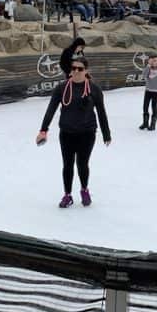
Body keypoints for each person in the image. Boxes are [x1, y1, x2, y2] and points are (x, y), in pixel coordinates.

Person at [36, 56, 111, 208]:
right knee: (67, 165)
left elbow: (101, 112)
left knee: (82, 164)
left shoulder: (94, 89)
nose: (76, 71)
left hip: (87, 133)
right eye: (73, 68)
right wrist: (43, 130)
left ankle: (84, 190)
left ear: (86, 70)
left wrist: (106, 133)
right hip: (67, 132)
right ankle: (67, 195)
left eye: (80, 69)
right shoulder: (61, 88)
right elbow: (51, 109)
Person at [139, 53, 157, 131]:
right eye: (153, 60)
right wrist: (148, 66)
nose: (155, 62)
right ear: (150, 61)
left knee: (154, 107)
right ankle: (145, 123)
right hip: (148, 91)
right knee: (145, 107)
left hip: (156, 92)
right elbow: (144, 75)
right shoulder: (148, 68)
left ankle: (152, 125)